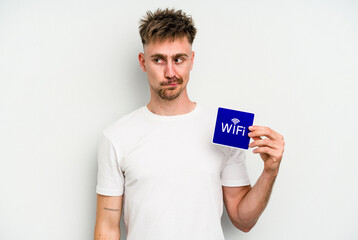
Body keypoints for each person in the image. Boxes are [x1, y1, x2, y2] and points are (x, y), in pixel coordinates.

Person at [94, 8, 285, 240]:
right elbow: (107, 228)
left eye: (178, 59)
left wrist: (270, 172)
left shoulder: (223, 128)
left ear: (191, 60)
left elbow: (243, 220)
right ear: (143, 62)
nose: (170, 72)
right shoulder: (116, 137)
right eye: (158, 60)